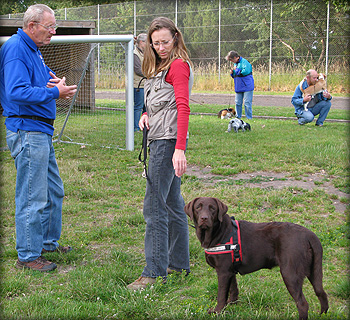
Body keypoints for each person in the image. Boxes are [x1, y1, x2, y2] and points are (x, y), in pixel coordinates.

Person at [0, 4, 77, 272]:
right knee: (32, 196)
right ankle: (29, 255)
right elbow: (16, 92)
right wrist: (56, 94)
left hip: (41, 132)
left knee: (53, 191)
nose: (53, 32)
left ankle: (46, 243)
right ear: (32, 26)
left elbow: (40, 82)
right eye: (50, 27)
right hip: (28, 131)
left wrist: (55, 84)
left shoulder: (33, 50)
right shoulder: (16, 49)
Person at [127, 17, 193, 290]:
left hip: (167, 143)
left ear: (176, 38)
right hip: (158, 137)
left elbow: (183, 107)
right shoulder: (159, 67)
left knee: (154, 208)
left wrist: (179, 149)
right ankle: (178, 265)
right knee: (172, 204)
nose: (161, 47)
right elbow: (157, 104)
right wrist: (144, 114)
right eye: (155, 43)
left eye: (165, 41)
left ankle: (153, 272)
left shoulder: (178, 66)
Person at [225, 51, 254, 119]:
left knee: (247, 103)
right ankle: (238, 117)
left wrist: (237, 70)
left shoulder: (245, 62)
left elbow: (245, 72)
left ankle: (249, 118)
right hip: (238, 86)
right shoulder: (235, 64)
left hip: (247, 85)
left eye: (231, 60)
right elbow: (236, 75)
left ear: (235, 57)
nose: (231, 61)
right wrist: (232, 73)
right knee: (238, 103)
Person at [133, 33, 147, 131]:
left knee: (147, 107)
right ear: (141, 42)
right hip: (138, 86)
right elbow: (138, 70)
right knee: (138, 106)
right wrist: (151, 74)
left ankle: (145, 125)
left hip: (146, 84)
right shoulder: (135, 54)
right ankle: (136, 127)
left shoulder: (144, 53)